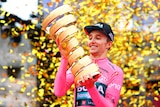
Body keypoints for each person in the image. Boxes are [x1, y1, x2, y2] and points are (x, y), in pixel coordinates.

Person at [54, 22, 124, 107]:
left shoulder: (115, 71)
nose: (92, 41)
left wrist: (91, 87)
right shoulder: (80, 65)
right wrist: (64, 58)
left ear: (108, 44)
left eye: (98, 38)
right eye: (90, 38)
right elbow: (59, 91)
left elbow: (110, 105)